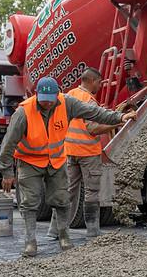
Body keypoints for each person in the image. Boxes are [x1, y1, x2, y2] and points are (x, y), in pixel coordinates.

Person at [0, 76, 135, 257]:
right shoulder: (23, 113)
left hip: (55, 161)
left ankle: (64, 236)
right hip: (30, 162)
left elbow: (94, 112)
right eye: (44, 100)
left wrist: (119, 116)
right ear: (36, 95)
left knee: (62, 199)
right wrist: (7, 172)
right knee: (29, 202)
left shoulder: (67, 103)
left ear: (58, 94)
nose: (47, 104)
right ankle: (30, 242)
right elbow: (8, 143)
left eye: (51, 100)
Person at [47, 68, 120, 239]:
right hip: (88, 152)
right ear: (92, 81)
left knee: (66, 190)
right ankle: (93, 231)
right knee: (91, 191)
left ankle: (54, 230)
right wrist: (116, 123)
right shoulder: (89, 100)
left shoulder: (69, 95)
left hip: (70, 151)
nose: (100, 86)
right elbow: (93, 128)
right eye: (99, 82)